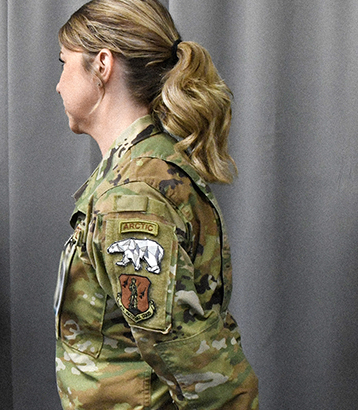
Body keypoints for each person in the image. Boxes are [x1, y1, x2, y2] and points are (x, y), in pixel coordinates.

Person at [53, 1, 258, 409]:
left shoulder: (132, 197)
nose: (58, 84)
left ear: (103, 65)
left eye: (64, 63)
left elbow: (197, 367)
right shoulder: (147, 167)